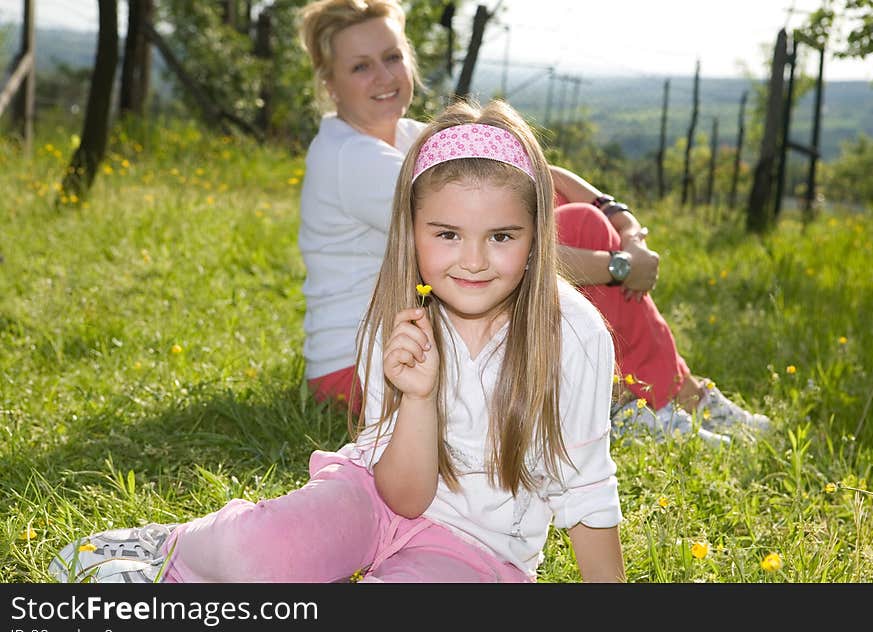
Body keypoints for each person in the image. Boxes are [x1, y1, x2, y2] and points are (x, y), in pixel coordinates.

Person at [50, 98, 625, 584]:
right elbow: (400, 496)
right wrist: (418, 398)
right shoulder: (400, 317)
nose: (472, 261)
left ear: (536, 236)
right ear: (412, 229)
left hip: (478, 550)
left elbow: (587, 495)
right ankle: (174, 554)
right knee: (256, 553)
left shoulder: (572, 333)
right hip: (375, 494)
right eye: (447, 234)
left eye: (501, 235)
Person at [295, 0, 769, 445]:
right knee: (567, 235)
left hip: (413, 335)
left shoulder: (408, 135)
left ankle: (657, 396)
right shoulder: (352, 159)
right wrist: (620, 267)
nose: (384, 76)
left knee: (579, 220)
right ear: (330, 84)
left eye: (392, 57)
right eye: (361, 66)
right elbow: (492, 252)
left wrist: (623, 222)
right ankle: (653, 398)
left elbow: (540, 176)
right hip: (368, 366)